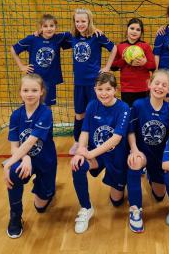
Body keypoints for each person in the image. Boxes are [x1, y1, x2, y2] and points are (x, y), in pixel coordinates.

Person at [70, 72, 130, 234]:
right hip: (97, 156)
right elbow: (85, 131)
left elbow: (116, 138)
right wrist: (81, 152)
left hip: (116, 157)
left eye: (108, 89)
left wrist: (90, 153)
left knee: (117, 201)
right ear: (95, 89)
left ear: (115, 90)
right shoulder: (92, 105)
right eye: (100, 89)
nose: (104, 93)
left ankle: (122, 182)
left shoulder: (123, 108)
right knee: (77, 165)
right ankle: (86, 208)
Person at [3, 74, 57, 238]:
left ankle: (44, 187)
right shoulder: (16, 115)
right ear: (20, 92)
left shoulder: (45, 112)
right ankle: (15, 216)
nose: (30, 94)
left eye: (34, 90)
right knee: (14, 173)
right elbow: (15, 146)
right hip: (28, 159)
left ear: (41, 92)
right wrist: (24, 159)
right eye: (25, 90)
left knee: (40, 207)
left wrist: (7, 163)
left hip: (46, 161)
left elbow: (30, 142)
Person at [126, 69, 169, 233]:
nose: (160, 87)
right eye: (157, 83)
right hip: (142, 153)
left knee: (160, 196)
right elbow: (131, 130)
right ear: (149, 84)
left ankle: (151, 176)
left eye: (164, 85)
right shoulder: (139, 105)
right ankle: (135, 210)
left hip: (160, 157)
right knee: (135, 163)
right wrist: (134, 150)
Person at [68, 8, 117, 155]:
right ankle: (77, 141)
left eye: (83, 21)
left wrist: (107, 67)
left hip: (93, 84)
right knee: (79, 114)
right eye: (77, 21)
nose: (80, 24)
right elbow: (50, 36)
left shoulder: (97, 36)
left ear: (89, 21)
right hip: (79, 83)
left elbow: (113, 48)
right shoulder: (71, 37)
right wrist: (39, 33)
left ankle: (93, 142)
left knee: (94, 112)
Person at [11, 14, 70, 107]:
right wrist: (21, 66)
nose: (49, 29)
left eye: (52, 26)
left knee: (47, 107)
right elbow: (13, 49)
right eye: (45, 26)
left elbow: (75, 34)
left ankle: (46, 122)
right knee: (31, 104)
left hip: (50, 80)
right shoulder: (32, 39)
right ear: (41, 27)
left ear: (56, 27)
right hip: (34, 79)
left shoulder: (58, 39)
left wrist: (93, 29)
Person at [111, 18, 156, 107]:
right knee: (130, 114)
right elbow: (113, 67)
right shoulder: (120, 46)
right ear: (127, 29)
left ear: (141, 33)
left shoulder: (145, 46)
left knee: (142, 113)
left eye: (138, 30)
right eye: (132, 28)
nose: (134, 31)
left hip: (143, 88)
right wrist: (124, 59)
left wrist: (145, 62)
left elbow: (153, 67)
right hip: (127, 89)